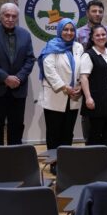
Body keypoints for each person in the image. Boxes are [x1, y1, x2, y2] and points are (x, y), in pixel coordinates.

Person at [0, 3, 36, 145]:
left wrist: (18, 78)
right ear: (1, 15)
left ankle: (14, 157)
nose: (10, 19)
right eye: (7, 15)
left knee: (17, 126)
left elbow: (30, 59)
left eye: (14, 16)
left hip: (18, 88)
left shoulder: (25, 34)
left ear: (17, 18)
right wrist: (5, 78)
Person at [38, 18, 84, 150]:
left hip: (74, 96)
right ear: (59, 30)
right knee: (54, 132)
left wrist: (80, 86)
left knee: (68, 132)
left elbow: (83, 68)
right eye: (65, 29)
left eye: (72, 30)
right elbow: (49, 70)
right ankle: (53, 159)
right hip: (56, 95)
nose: (69, 33)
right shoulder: (51, 46)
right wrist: (64, 87)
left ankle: (66, 158)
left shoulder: (78, 47)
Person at [75, 0, 107, 142]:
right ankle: (89, 145)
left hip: (105, 79)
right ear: (87, 13)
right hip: (86, 78)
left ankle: (105, 146)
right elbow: (75, 58)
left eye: (100, 11)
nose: (97, 14)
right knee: (89, 114)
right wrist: (79, 81)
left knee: (105, 116)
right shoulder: (78, 33)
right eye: (94, 11)